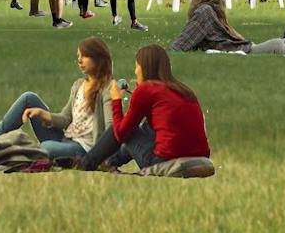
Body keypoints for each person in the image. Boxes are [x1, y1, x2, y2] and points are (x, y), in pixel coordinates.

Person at [0, 36, 127, 163]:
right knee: (28, 98)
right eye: (78, 57)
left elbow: (111, 129)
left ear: (98, 57)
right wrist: (42, 113)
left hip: (84, 150)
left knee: (45, 147)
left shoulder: (108, 89)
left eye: (84, 56)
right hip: (65, 139)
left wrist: (101, 159)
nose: (80, 61)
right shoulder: (78, 85)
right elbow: (65, 118)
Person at [82, 44, 211, 172]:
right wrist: (140, 91)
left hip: (161, 160)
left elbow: (121, 133)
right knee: (146, 128)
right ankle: (108, 162)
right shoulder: (183, 90)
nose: (135, 71)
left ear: (144, 67)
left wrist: (116, 100)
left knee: (123, 129)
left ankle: (87, 163)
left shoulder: (146, 90)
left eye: (137, 66)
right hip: (200, 156)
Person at [173, 0, 285, 54]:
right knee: (277, 44)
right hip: (240, 50)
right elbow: (180, 44)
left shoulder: (214, 11)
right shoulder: (204, 11)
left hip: (243, 46)